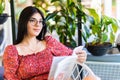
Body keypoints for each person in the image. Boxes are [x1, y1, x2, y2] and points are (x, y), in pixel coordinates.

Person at [3, 6, 87, 80]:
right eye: (33, 21)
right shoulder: (12, 51)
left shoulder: (49, 42)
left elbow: (71, 55)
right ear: (24, 23)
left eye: (40, 21)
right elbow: (10, 77)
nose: (38, 25)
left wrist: (81, 56)